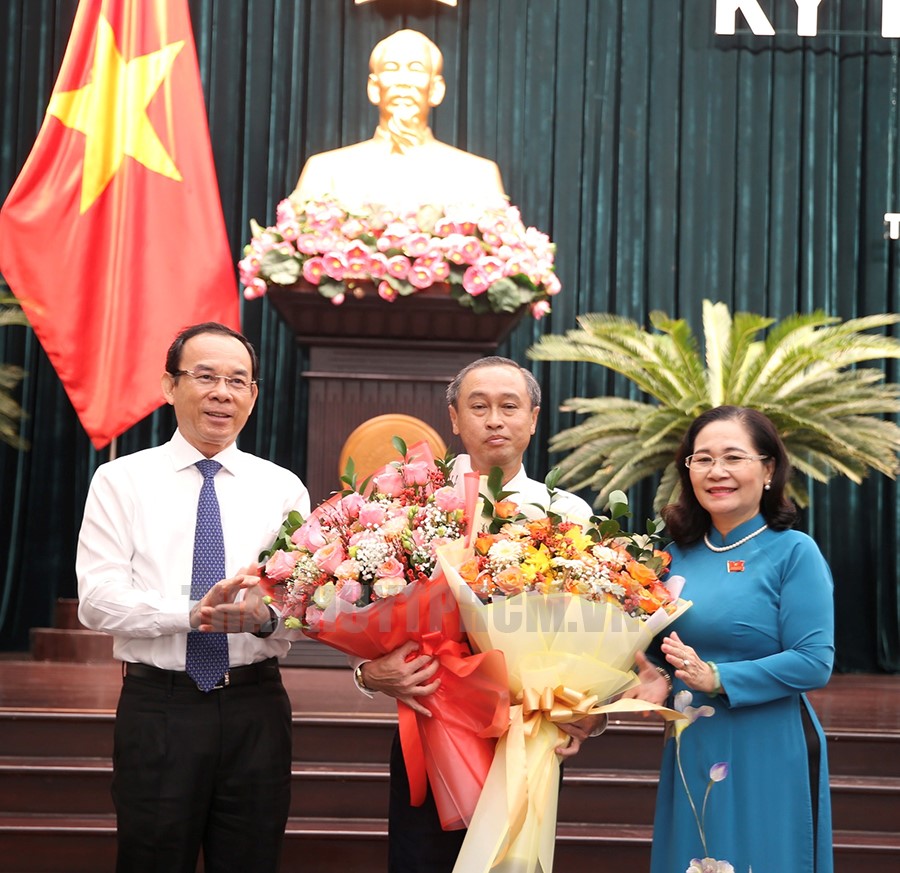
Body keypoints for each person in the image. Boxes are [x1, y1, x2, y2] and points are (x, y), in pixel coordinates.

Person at [355, 355, 663, 872]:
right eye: (478, 407)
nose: (494, 420)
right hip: (432, 717)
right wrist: (366, 672)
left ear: (534, 418)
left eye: (509, 406)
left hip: (528, 730)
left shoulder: (567, 513)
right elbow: (362, 602)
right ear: (454, 418)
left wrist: (587, 708)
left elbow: (597, 624)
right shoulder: (410, 504)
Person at [76, 322, 311, 873]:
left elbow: (308, 603)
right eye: (205, 377)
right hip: (160, 708)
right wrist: (188, 615)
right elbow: (97, 599)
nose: (222, 393)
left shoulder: (282, 487)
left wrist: (265, 618)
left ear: (253, 394)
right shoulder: (120, 480)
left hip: (256, 707)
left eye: (237, 380)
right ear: (169, 386)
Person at [647, 405, 834, 873]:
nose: (717, 471)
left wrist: (717, 677)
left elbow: (814, 661)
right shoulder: (670, 558)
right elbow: (654, 650)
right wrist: (650, 674)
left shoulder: (794, 552)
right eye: (703, 459)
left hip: (767, 743)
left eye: (733, 457)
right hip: (692, 740)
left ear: (768, 470)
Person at [292, 28, 507, 212]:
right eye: (391, 68)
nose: (403, 81)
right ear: (374, 87)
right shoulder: (326, 171)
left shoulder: (477, 176)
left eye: (416, 69)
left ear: (436, 89)